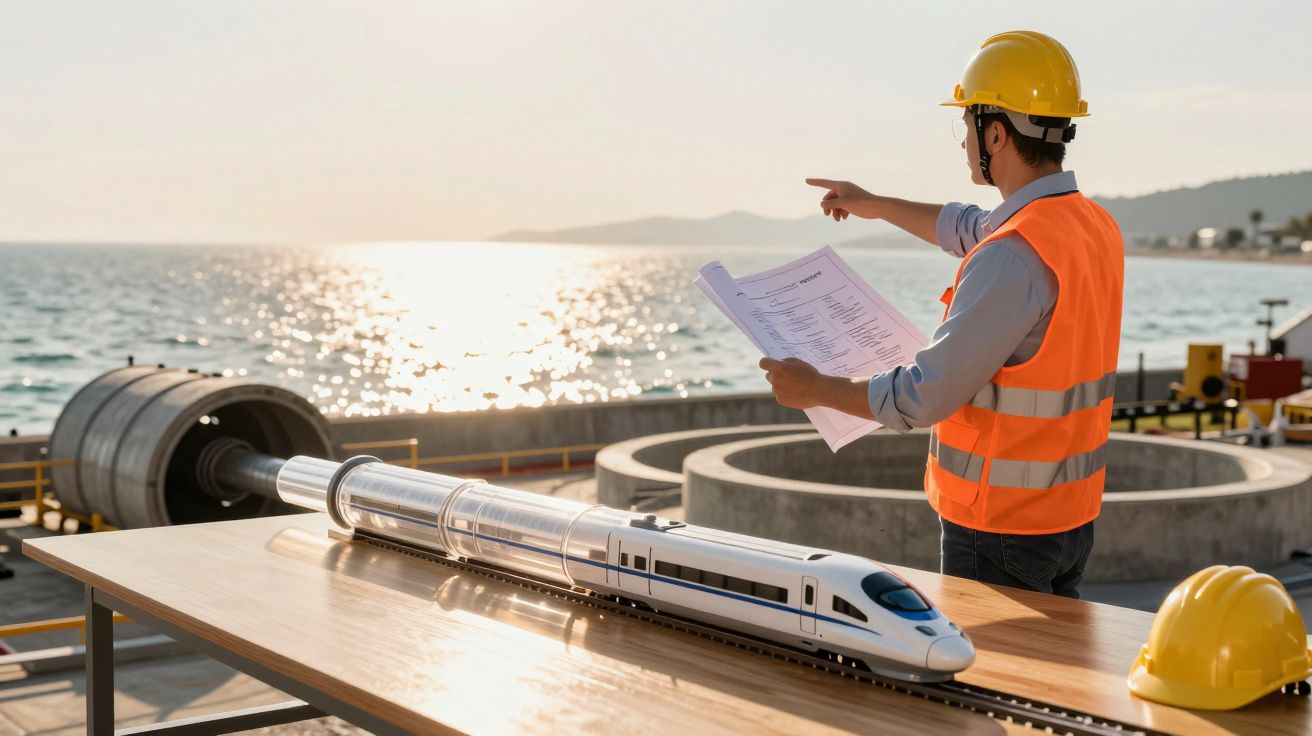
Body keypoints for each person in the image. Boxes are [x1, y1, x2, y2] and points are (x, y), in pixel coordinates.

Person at [759, 30, 1123, 598]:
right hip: (1067, 518)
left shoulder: (1012, 255)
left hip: (998, 531)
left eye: (967, 125)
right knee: (1046, 657)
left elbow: (923, 396)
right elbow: (966, 226)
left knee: (985, 659)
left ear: (996, 133)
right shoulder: (1091, 227)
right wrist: (872, 203)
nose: (964, 143)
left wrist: (816, 389)